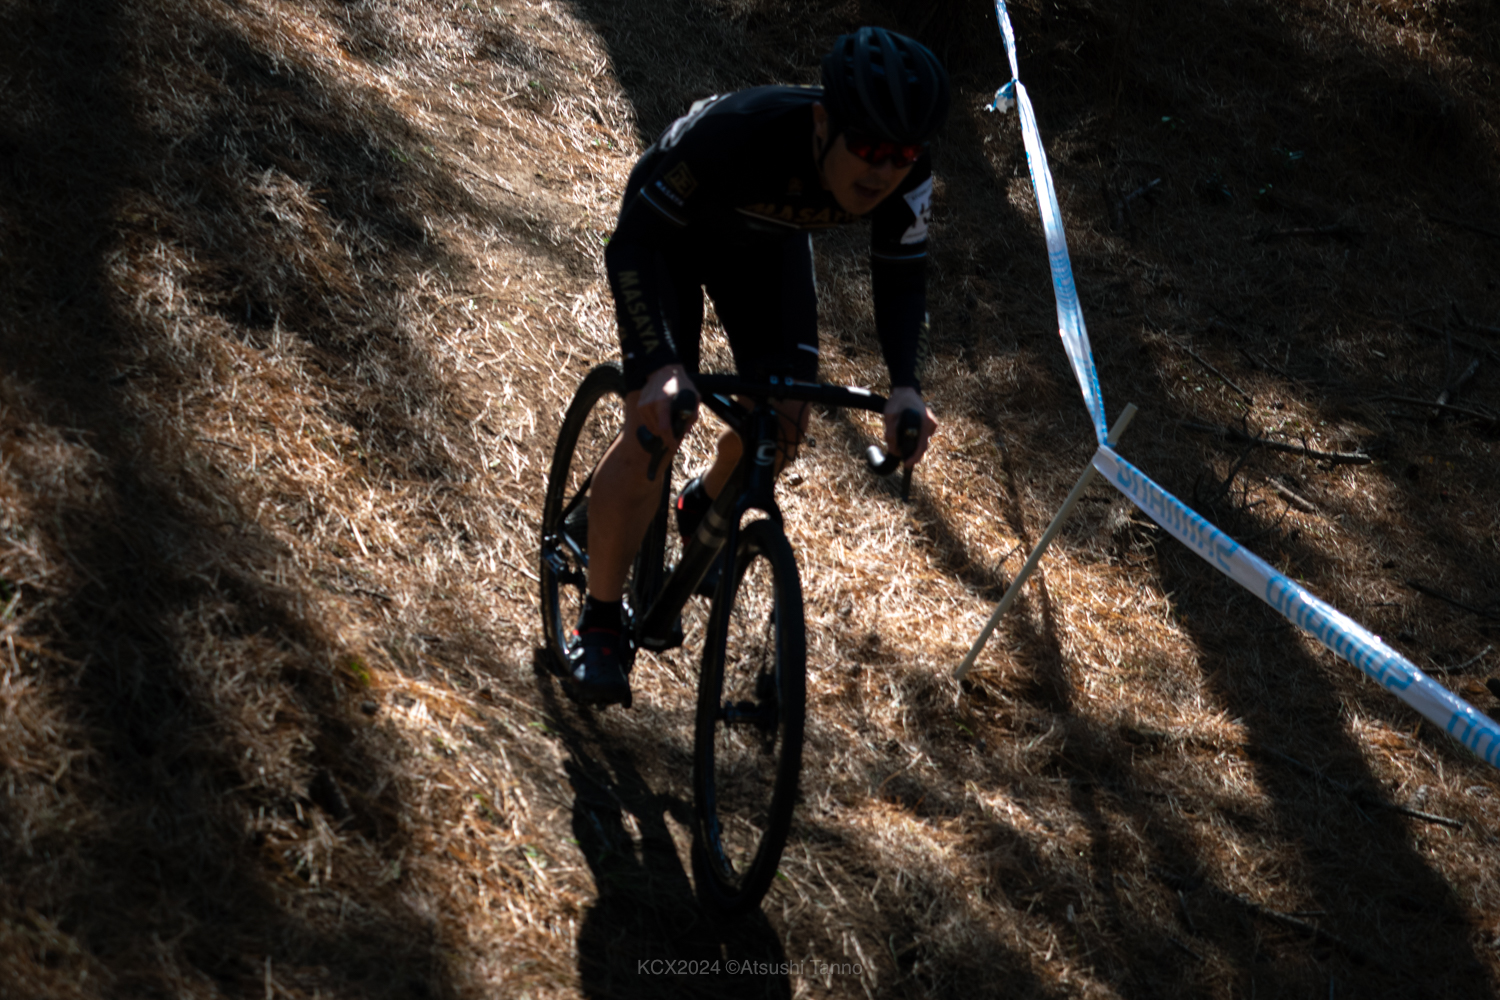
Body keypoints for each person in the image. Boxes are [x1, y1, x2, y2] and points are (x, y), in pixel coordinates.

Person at [568, 27, 949, 706]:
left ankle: (701, 505)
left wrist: (905, 387)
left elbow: (902, 276)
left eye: (903, 154)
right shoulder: (739, 134)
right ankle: (599, 622)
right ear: (823, 122)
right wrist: (659, 366)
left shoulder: (907, 175)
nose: (884, 170)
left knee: (784, 423)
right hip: (667, 240)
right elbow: (632, 244)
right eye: (868, 147)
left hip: (766, 248)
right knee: (658, 424)